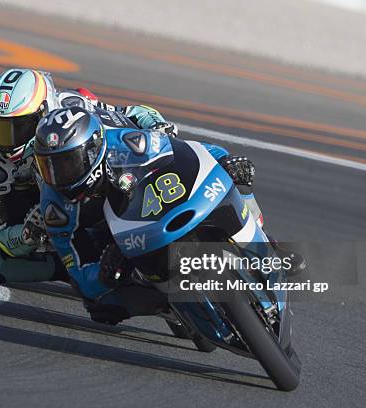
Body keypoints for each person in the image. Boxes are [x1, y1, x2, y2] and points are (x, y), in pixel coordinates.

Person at [33, 106, 304, 324]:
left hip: (155, 203)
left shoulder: (128, 142)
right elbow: (78, 274)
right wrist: (103, 272)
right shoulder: (55, 208)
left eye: (68, 164)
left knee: (237, 178)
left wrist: (224, 160)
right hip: (113, 244)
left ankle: (267, 245)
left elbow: (187, 151)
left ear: (92, 150)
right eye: (50, 167)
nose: (59, 176)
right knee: (102, 308)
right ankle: (168, 306)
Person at [0, 68, 178, 286]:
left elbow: (132, 112)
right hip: (46, 206)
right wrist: (28, 232)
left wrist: (157, 127)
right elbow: (3, 232)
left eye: (18, 127)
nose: (7, 140)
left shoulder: (71, 107)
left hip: (95, 180)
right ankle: (71, 269)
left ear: (44, 110)